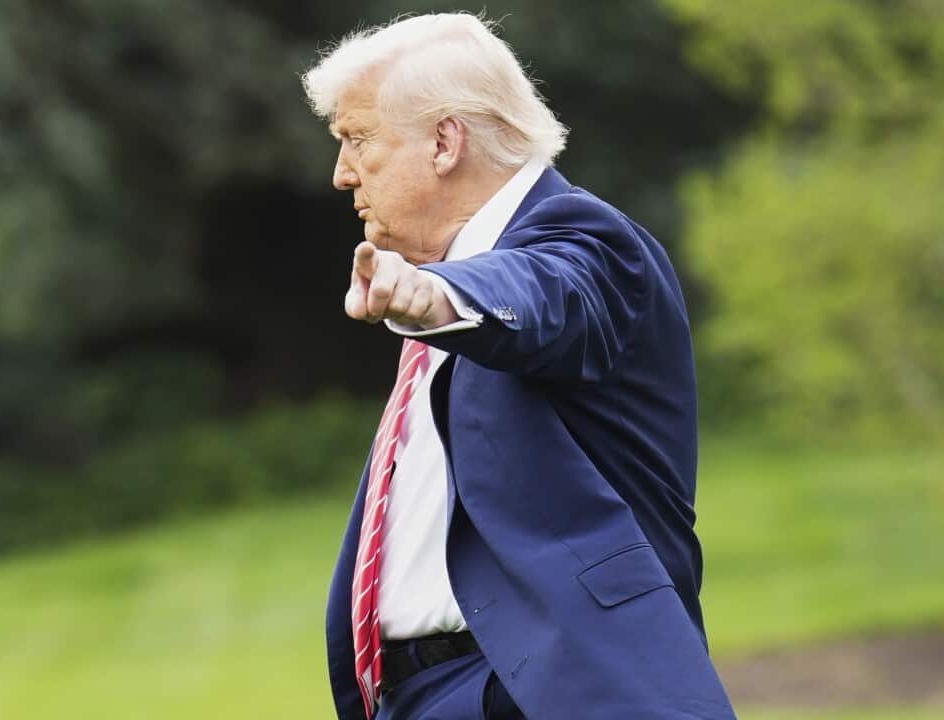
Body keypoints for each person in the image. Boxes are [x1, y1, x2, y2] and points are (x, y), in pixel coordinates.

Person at [302, 13, 736, 720]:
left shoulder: (587, 240)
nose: (342, 173)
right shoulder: (456, 274)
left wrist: (441, 295)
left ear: (445, 141)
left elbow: (542, 291)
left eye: (357, 140)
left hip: (535, 691)